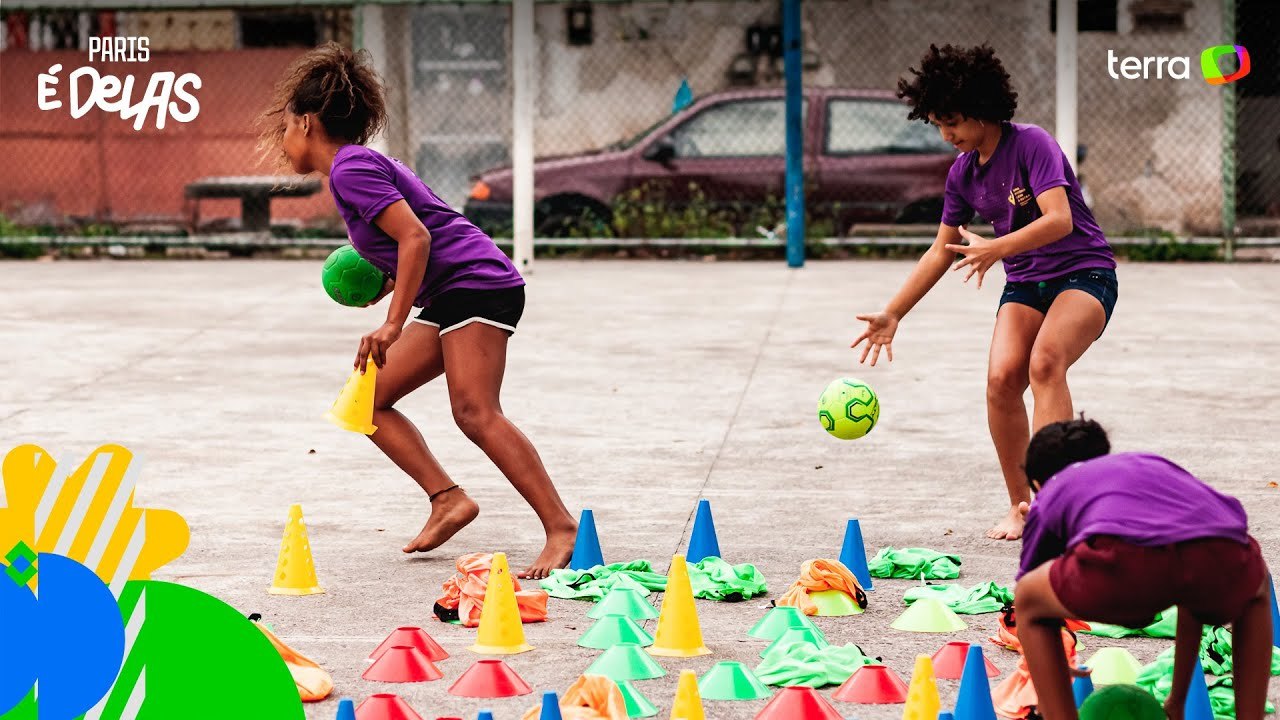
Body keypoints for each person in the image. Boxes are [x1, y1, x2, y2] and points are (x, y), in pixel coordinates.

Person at [260, 43, 576, 578]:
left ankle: (561, 528)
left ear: (307, 123)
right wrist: (386, 283)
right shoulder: (355, 168)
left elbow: (417, 237)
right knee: (367, 400)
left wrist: (392, 323)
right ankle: (447, 499)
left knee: (475, 411)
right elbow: (415, 236)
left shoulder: (351, 169)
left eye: (285, 125)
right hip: (452, 290)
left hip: (478, 283)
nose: (283, 138)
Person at [852, 44, 1118, 541]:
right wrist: (894, 313)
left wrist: (997, 247)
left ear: (980, 108)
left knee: (1046, 363)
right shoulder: (962, 173)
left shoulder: (1032, 144)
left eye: (952, 121)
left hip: (1084, 273)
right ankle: (1022, 507)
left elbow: (1059, 220)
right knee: (1000, 381)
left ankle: (1054, 505)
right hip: (1026, 282)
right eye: (937, 124)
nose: (945, 134)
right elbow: (942, 250)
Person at [1014, 417, 1271, 720]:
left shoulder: (1054, 488)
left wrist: (1056, 657)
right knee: (1255, 589)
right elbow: (1188, 580)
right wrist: (1177, 700)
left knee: (1028, 599)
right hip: (1221, 550)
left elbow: (1032, 586)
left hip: (1127, 569)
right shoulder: (1146, 463)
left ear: (1038, 483)